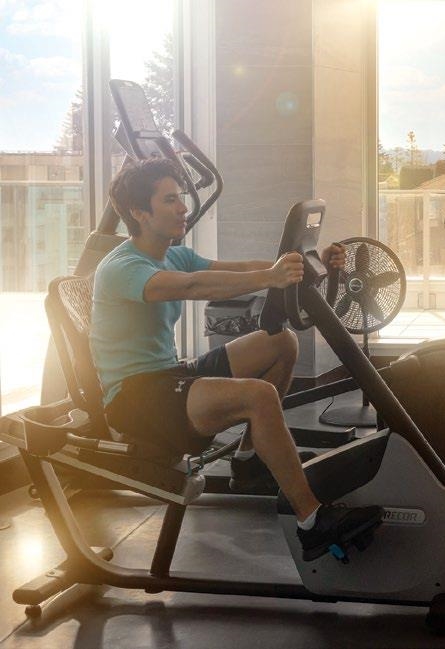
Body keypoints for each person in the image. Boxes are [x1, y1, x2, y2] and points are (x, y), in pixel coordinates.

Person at [91, 157, 382, 562]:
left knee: (281, 343)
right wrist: (270, 278)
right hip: (136, 398)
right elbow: (193, 286)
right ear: (140, 213)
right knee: (259, 397)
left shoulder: (173, 254)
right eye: (170, 200)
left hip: (170, 373)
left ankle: (248, 458)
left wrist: (309, 263)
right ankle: (312, 522)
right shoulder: (123, 267)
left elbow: (244, 267)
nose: (182, 208)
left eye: (181, 198)